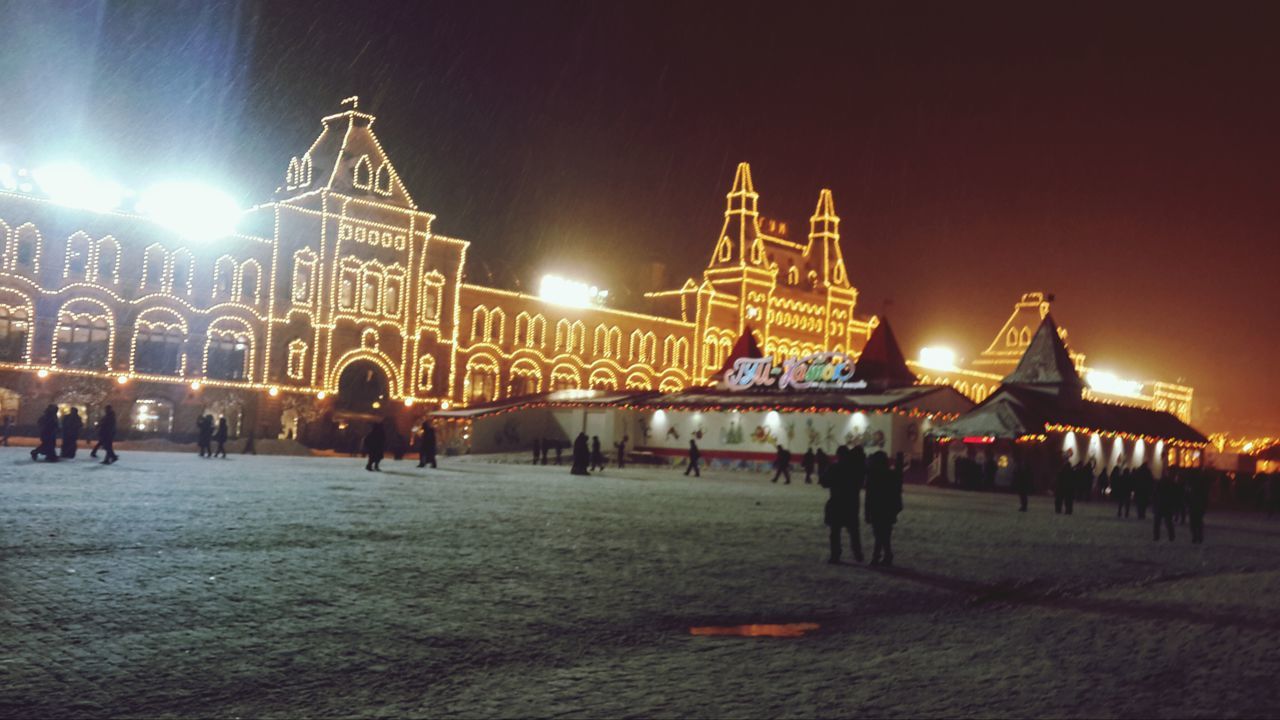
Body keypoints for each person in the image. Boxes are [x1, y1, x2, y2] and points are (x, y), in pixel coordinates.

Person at [823, 446, 864, 563]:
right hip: (851, 503)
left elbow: (825, 482)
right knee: (854, 531)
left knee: (835, 531)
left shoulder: (834, 468)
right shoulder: (855, 469)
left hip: (836, 502)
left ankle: (835, 554)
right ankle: (858, 553)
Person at [864, 450, 902, 566]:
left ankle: (879, 556)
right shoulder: (890, 474)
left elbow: (869, 496)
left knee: (879, 533)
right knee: (884, 533)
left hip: (878, 507)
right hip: (888, 507)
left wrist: (867, 512)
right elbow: (897, 486)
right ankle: (885, 555)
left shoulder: (872, 475)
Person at [1153, 470, 1179, 541]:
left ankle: (1156, 536)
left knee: (1158, 522)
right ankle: (1171, 536)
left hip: (1161, 503)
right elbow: (1175, 495)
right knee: (1168, 522)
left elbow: (1156, 493)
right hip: (1167, 504)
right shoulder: (1172, 483)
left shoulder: (1161, 482)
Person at [1186, 468, 1209, 544]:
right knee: (1197, 521)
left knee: (1194, 522)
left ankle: (1196, 536)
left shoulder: (1193, 484)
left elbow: (1189, 495)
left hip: (1195, 505)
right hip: (1197, 505)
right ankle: (1198, 536)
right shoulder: (1201, 483)